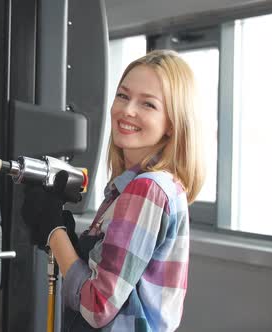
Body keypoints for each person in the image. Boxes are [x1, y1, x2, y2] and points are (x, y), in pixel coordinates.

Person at [21, 49, 205, 331]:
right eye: (123, 95)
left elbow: (98, 306)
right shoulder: (148, 186)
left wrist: (54, 232)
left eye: (148, 104)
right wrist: (70, 242)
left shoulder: (146, 189)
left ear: (172, 124)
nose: (127, 110)